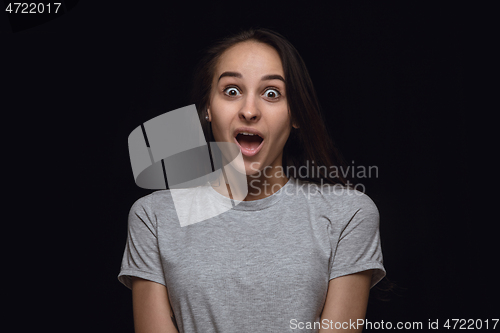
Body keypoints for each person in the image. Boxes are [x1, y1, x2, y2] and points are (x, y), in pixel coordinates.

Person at [118, 28, 386, 333]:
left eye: (272, 93)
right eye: (232, 91)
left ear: (295, 113)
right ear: (207, 108)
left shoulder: (348, 214)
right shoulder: (154, 217)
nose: (249, 111)